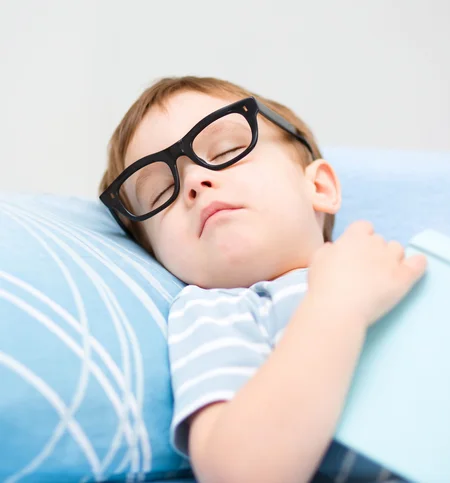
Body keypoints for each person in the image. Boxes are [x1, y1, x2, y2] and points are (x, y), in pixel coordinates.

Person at [99, 75, 428, 482]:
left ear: (319, 187)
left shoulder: (391, 264)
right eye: (162, 191)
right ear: (157, 255)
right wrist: (337, 306)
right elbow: (238, 471)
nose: (195, 182)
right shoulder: (216, 312)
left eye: (228, 150)